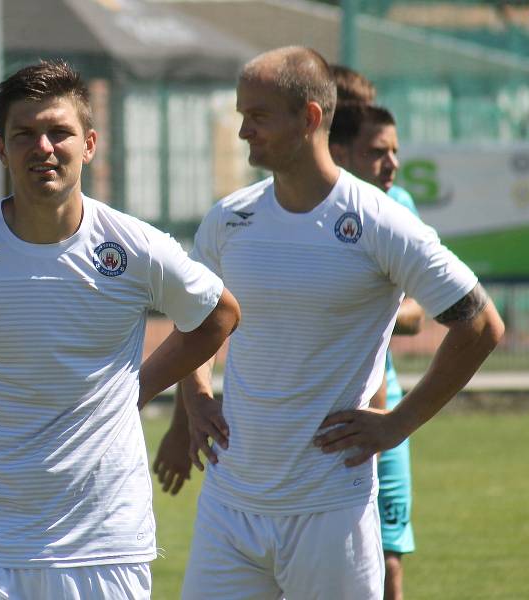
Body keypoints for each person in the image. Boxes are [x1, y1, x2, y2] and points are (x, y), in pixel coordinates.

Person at [0, 60, 240, 600]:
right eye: (24, 134)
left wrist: (139, 386)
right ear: (1, 148)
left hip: (106, 546)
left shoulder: (134, 247)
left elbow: (218, 315)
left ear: (88, 143)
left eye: (58, 132)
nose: (43, 147)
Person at [158, 46, 503, 600]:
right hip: (229, 506)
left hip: (330, 511)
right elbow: (195, 321)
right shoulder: (229, 218)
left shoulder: (380, 222)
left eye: (258, 115)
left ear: (310, 118)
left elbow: (482, 326)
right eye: (242, 113)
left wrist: (398, 424)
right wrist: (195, 396)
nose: (243, 130)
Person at [330, 101, 426, 600]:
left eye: (395, 152)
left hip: (381, 403)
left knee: (389, 561)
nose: (391, 164)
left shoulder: (399, 208)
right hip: (317, 415)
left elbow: (419, 312)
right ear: (339, 152)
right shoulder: (302, 214)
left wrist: (369, 307)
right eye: (377, 152)